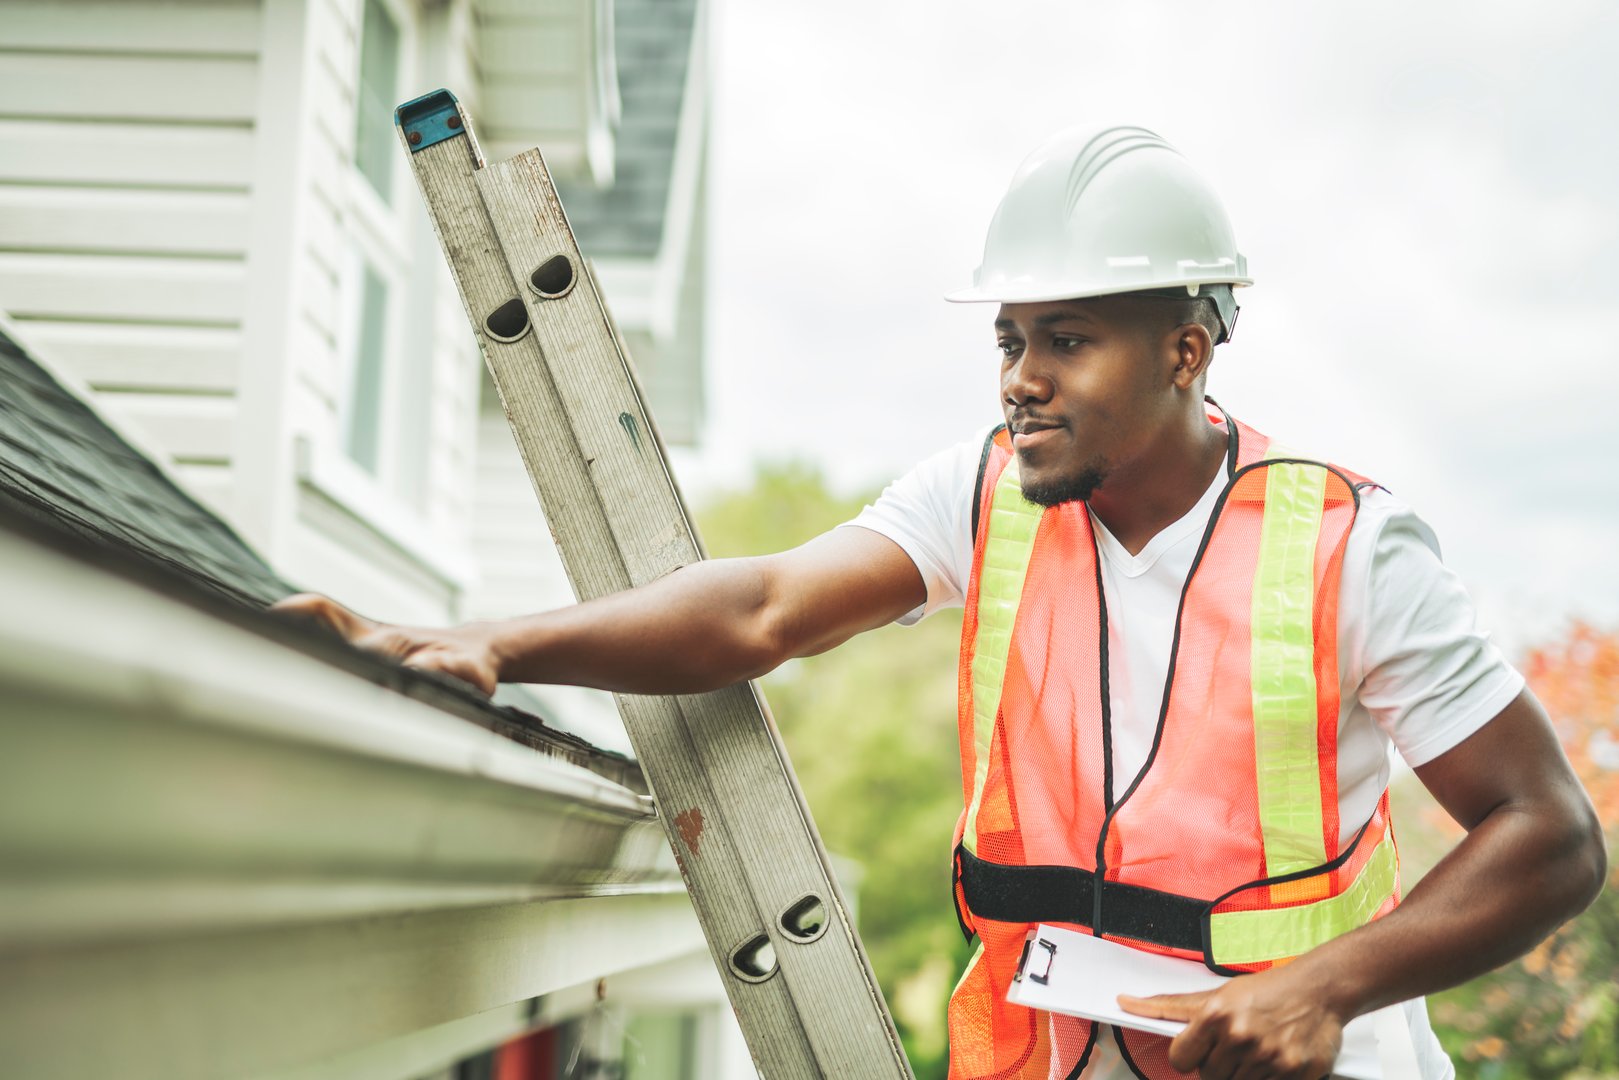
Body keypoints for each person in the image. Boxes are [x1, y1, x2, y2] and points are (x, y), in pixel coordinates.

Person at [277, 126, 1606, 1080]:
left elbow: (1552, 836)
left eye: (1067, 340)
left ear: (1187, 351)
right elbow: (758, 610)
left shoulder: (1352, 548)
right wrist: (488, 645)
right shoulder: (984, 496)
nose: (1020, 378)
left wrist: (1327, 985)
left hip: (1306, 1062)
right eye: (1009, 339)